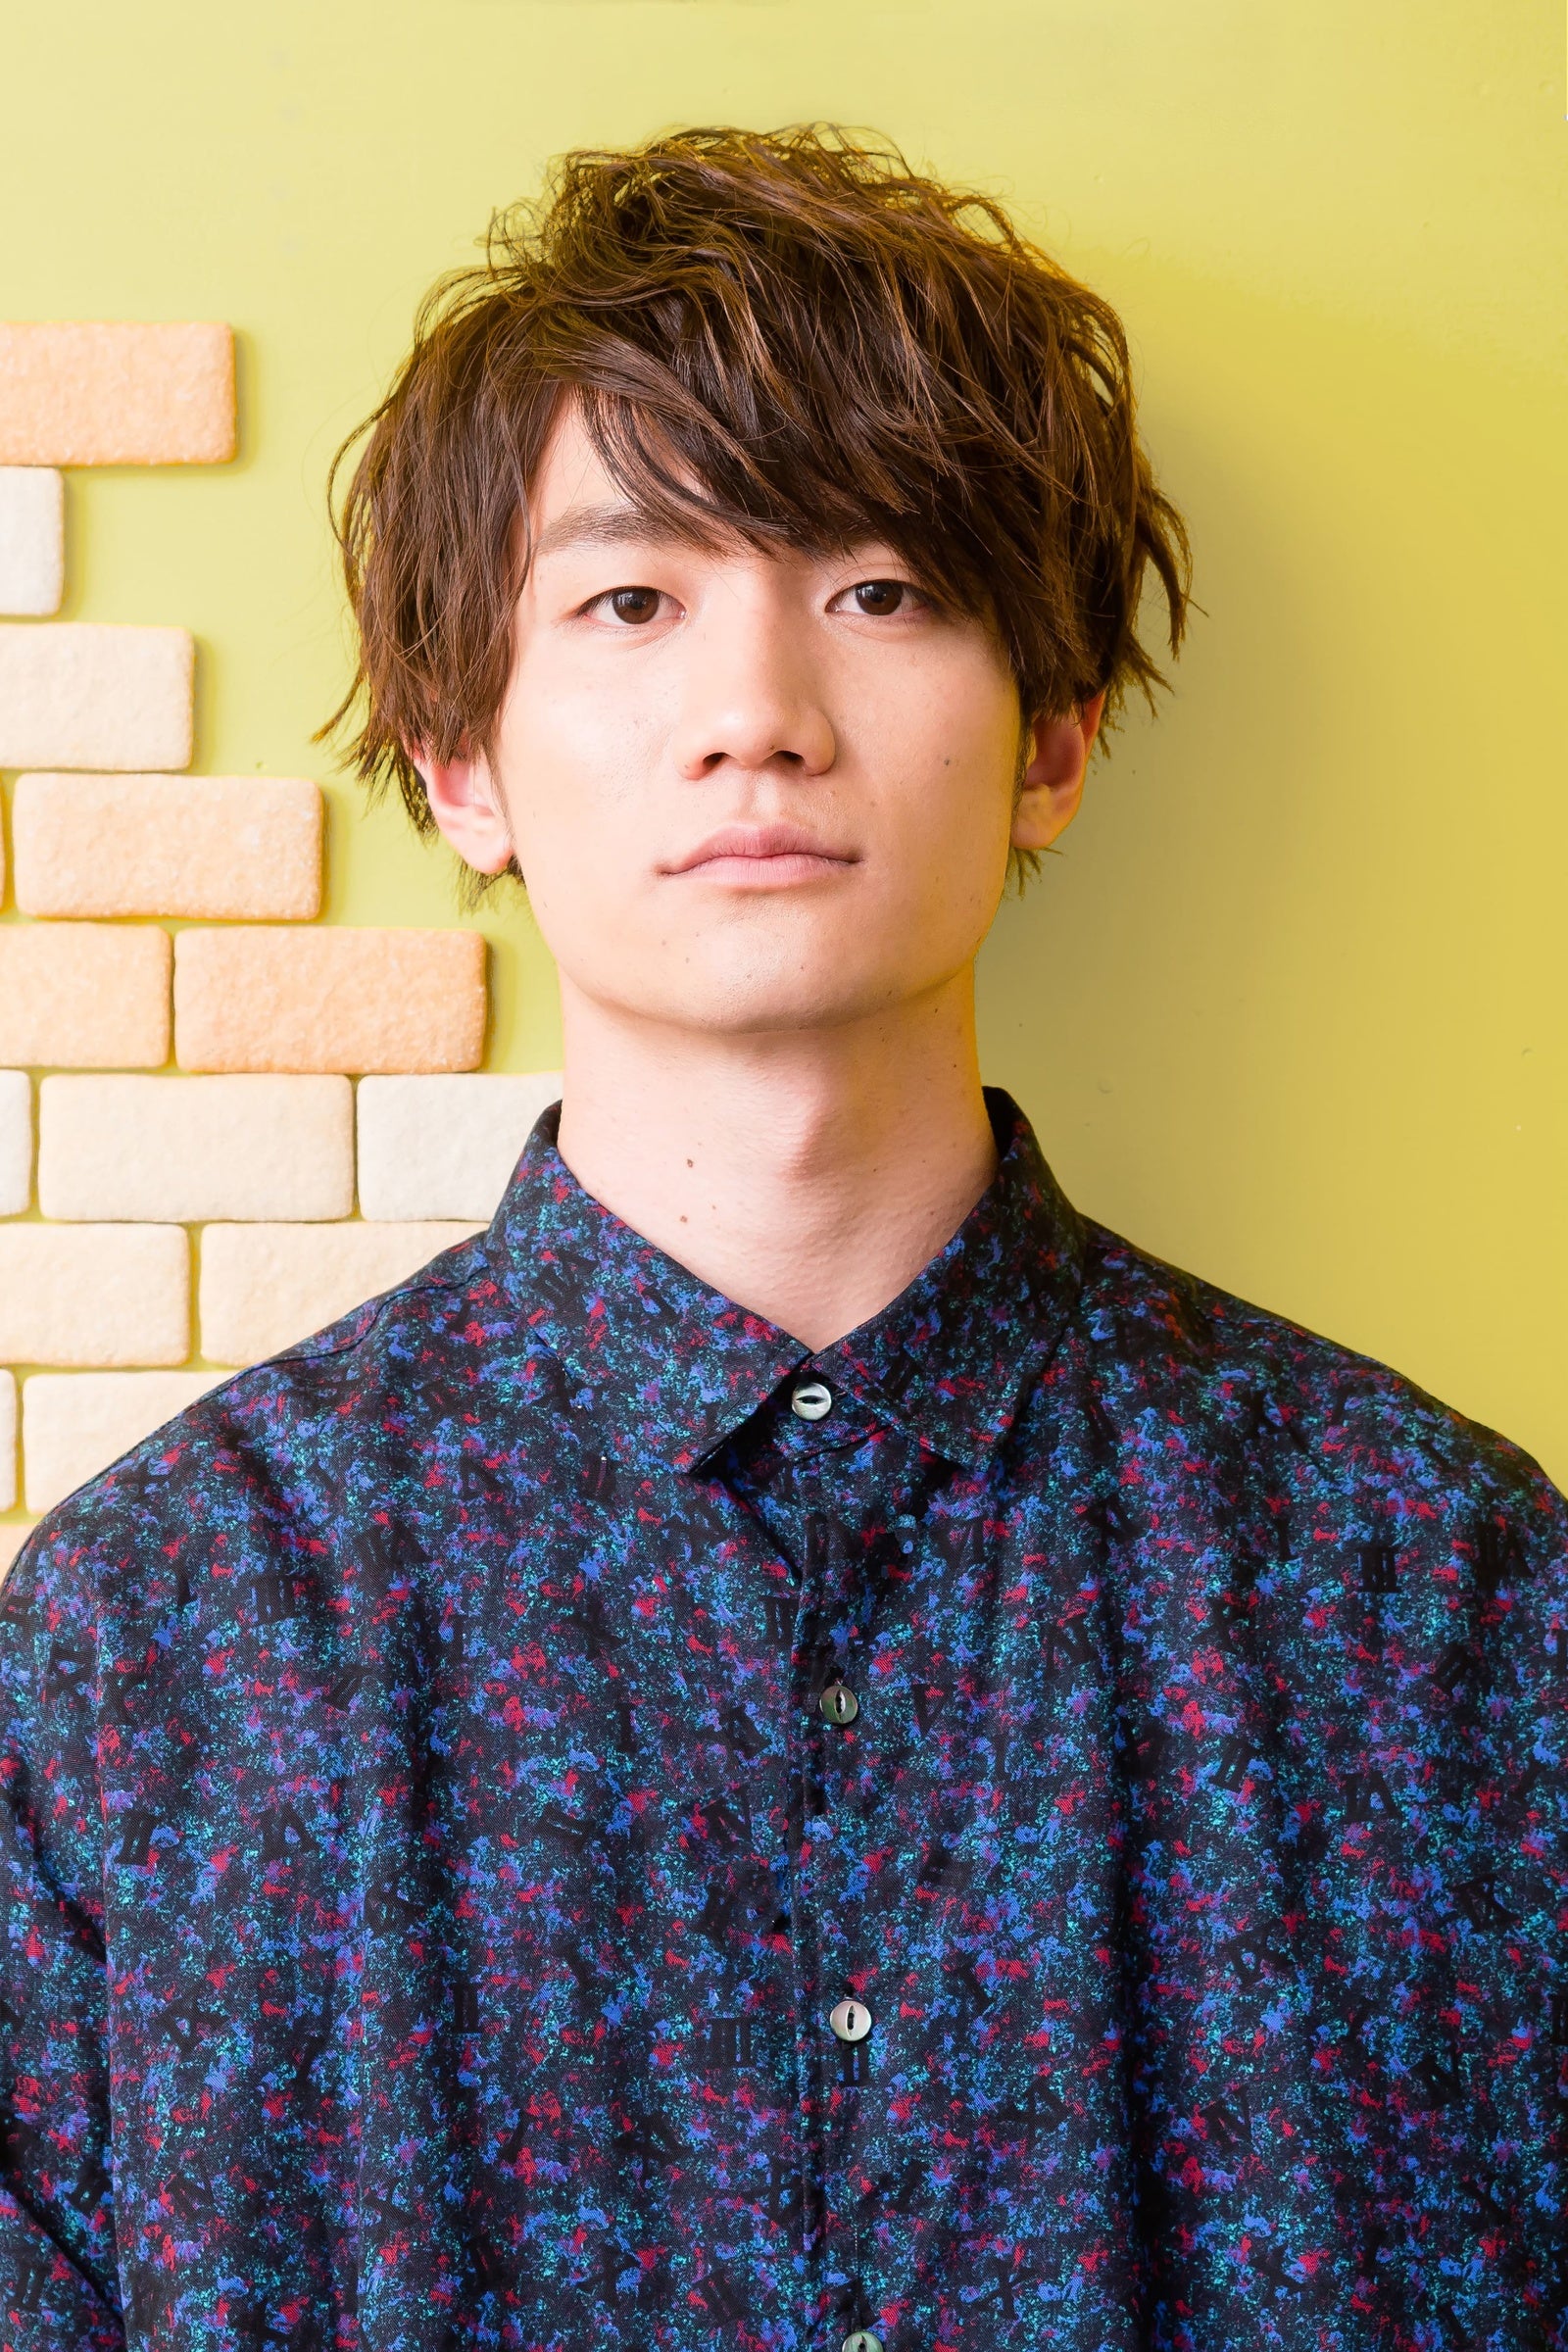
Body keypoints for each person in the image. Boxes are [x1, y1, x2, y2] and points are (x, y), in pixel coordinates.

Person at [1, 123, 1562, 2352]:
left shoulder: (1436, 1589)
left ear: (1056, 735)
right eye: (630, 602)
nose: (758, 716)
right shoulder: (157, 1632)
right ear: (456, 759)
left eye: (882, 592)